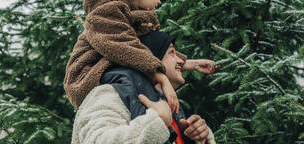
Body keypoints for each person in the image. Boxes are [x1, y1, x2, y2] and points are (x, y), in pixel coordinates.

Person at [64, 0, 218, 111]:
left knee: (137, 74)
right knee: (134, 78)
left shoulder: (133, 17)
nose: (159, 1)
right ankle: (151, 122)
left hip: (108, 69)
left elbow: (149, 48)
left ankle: (159, 123)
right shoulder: (106, 11)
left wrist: (190, 64)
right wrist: (161, 76)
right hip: (87, 76)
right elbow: (122, 46)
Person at [71, 31, 216, 144]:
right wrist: (156, 120)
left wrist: (200, 138)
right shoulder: (109, 93)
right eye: (171, 52)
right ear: (150, 60)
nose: (180, 61)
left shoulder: (165, 102)